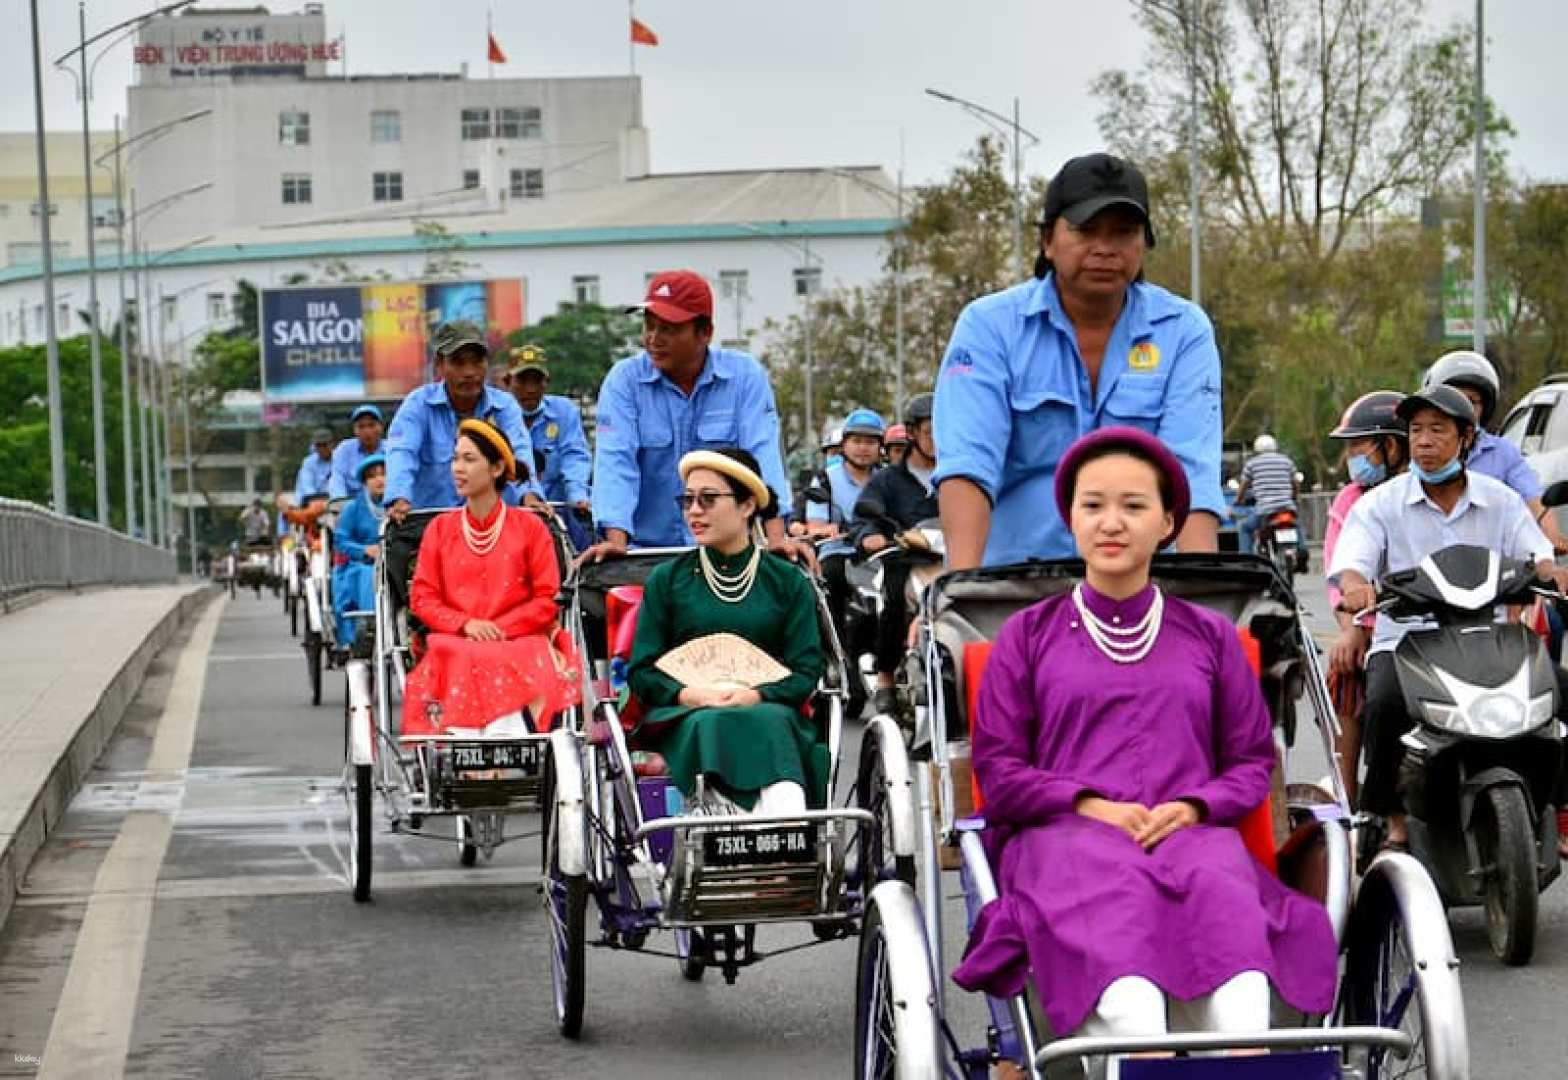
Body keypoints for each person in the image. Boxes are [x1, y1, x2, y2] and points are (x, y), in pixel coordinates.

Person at [951, 426, 1336, 1045]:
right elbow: (998, 770)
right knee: (1131, 1006)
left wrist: (1193, 807)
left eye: (1134, 506)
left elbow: (1248, 762)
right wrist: (1090, 805)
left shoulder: (1209, 637)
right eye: (1093, 505)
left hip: (1195, 840)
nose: (1111, 523)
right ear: (1070, 518)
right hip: (1066, 846)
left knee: (1241, 1001)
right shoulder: (1025, 637)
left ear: (1166, 523)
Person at [933, 152, 1223, 569]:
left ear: (1144, 243)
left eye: (1123, 233)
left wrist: (1201, 601)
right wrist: (959, 593)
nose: (1105, 248)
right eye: (1087, 231)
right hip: (1014, 583)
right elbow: (968, 466)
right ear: (1048, 240)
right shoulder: (988, 326)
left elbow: (1191, 472)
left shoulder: (1184, 330)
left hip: (1144, 587)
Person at [1329, 387, 1562, 852]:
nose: (1424, 442)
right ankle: (1391, 817)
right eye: (1416, 430)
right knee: (1384, 704)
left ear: (1467, 438)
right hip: (1406, 643)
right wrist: (1357, 586)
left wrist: (1552, 571)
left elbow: (1536, 556)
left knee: (1558, 689)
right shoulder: (1380, 504)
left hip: (1487, 638)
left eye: (1438, 430)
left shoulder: (1500, 500)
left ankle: (1554, 805)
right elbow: (1353, 561)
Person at [626, 448, 827, 815]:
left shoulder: (787, 582)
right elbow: (642, 671)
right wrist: (690, 694)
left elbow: (806, 670)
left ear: (748, 505)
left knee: (769, 720)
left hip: (770, 712)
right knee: (711, 721)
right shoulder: (667, 581)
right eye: (687, 500)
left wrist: (756, 695)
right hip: (686, 716)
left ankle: (784, 836)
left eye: (708, 499)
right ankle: (743, 827)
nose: (694, 511)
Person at [583, 270, 808, 565]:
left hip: (729, 550)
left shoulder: (745, 377)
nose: (653, 339)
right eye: (649, 326)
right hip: (647, 552)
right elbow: (615, 463)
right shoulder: (623, 381)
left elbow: (764, 456)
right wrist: (615, 541)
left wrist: (777, 538)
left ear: (705, 333)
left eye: (669, 329)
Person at [401, 420, 580, 738]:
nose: (458, 468)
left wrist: (499, 630)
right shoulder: (440, 529)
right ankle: (465, 757)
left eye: (469, 460)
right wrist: (465, 625)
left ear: (497, 468)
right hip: (455, 639)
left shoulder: (530, 528)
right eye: (455, 458)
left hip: (520, 639)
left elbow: (545, 599)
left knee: (509, 655)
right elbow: (423, 599)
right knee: (456, 651)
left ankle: (509, 750)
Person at [1320, 391, 1408, 805]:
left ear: (1391, 446)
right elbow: (1338, 575)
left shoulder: (1431, 492)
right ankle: (1347, 798)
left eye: (1358, 446)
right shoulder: (1350, 501)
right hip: (1375, 629)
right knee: (1344, 675)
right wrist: (1351, 628)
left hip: (1439, 628)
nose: (1351, 458)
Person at [384, 320, 539, 523]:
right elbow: (402, 452)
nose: (469, 372)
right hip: (430, 528)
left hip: (496, 529)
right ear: (439, 364)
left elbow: (519, 453)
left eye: (477, 362)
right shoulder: (418, 405)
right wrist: (399, 497)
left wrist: (529, 495)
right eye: (458, 362)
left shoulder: (505, 406)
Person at [1422, 349, 1568, 552]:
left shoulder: (1503, 453)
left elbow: (1533, 499)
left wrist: (1551, 539)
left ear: (1485, 408)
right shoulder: (1419, 450)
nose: (1462, 408)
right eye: (1454, 399)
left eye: (1472, 401)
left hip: (1494, 569)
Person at [848, 393, 939, 716]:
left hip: (949, 562)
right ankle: (885, 676)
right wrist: (870, 535)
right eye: (930, 431)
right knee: (895, 600)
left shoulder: (956, 475)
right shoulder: (886, 480)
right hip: (903, 560)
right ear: (912, 433)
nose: (938, 438)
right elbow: (862, 518)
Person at [508, 344, 594, 550]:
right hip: (511, 518)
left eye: (536, 381)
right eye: (522, 381)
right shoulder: (496, 415)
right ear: (508, 382)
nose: (530, 389)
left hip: (558, 517)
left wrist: (578, 496)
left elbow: (574, 456)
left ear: (546, 383)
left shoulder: (564, 411)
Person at [332, 453, 387, 652]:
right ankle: (368, 624)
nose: (379, 479)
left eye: (384, 474)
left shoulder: (399, 506)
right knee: (366, 576)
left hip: (392, 561)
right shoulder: (353, 509)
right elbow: (340, 541)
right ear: (365, 482)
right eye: (373, 476)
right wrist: (365, 550)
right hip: (361, 564)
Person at [804, 409, 884, 537]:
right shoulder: (825, 479)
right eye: (856, 441)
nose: (863, 448)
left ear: (881, 448)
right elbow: (814, 528)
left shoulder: (888, 479)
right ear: (843, 445)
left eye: (870, 442)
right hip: (838, 550)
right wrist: (826, 530)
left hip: (884, 551)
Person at [1234, 434, 1304, 568]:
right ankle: (1302, 550)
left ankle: (1247, 562)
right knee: (1298, 524)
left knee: (1244, 528)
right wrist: (1294, 497)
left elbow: (1244, 485)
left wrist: (1238, 500)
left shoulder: (1252, 464)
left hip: (1265, 510)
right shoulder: (1286, 461)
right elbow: (1295, 483)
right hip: (1287, 507)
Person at [328, 404, 386, 500]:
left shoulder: (392, 449)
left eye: (371, 425)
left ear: (381, 427)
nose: (367, 431)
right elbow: (337, 479)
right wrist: (340, 502)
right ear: (354, 430)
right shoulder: (344, 449)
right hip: (352, 505)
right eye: (361, 426)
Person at [293, 428, 336, 509]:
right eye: (318, 445)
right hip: (310, 502)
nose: (321, 449)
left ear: (332, 444)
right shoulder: (308, 462)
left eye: (324, 445)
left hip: (333, 502)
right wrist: (317, 503)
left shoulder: (339, 460)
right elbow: (307, 488)